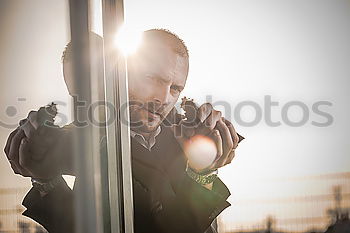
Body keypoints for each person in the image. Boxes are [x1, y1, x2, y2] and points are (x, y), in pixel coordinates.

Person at [4, 29, 241, 233]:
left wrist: (203, 172)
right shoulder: (78, 141)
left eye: (98, 86)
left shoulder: (192, 134)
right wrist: (44, 178)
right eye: (78, 93)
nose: (89, 100)